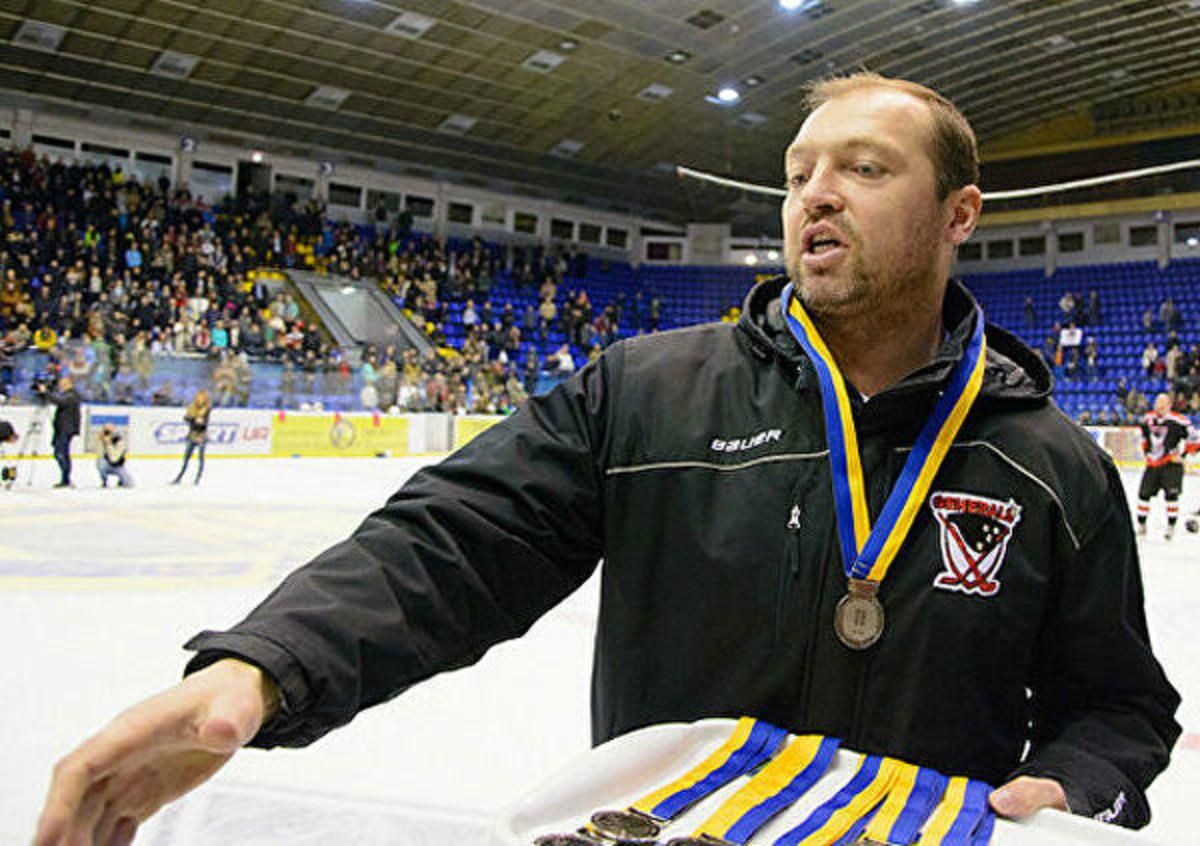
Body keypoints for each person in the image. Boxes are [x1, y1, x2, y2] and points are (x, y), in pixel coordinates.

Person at [35, 73, 1180, 845]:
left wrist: (1073, 787)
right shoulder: (647, 393)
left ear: (958, 212)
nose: (815, 195)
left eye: (866, 170)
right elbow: (453, 542)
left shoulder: (1050, 464)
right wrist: (261, 669)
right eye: (796, 173)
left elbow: (1121, 704)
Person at [1135, 393, 1195, 540]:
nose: (1159, 406)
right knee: (1143, 494)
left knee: (1171, 495)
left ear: (1169, 405)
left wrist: (1183, 454)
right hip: (1152, 463)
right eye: (1157, 402)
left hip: (1171, 463)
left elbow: (1194, 438)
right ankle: (1142, 525)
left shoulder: (1179, 421)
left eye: (1162, 403)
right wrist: (1146, 453)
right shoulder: (1147, 419)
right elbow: (1144, 437)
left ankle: (1170, 526)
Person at [44, 375, 81, 488]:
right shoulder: (68, 395)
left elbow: (59, 401)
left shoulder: (72, 395)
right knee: (59, 452)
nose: (60, 385)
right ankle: (65, 477)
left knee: (61, 453)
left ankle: (65, 478)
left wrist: (46, 392)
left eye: (63, 383)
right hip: (61, 428)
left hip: (66, 428)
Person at [170, 389, 211, 485]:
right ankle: (179, 477)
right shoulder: (192, 408)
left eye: (203, 398)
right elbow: (187, 418)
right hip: (192, 435)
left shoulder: (207, 409)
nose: (200, 400)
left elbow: (202, 423)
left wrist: (194, 420)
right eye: (199, 398)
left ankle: (197, 478)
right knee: (186, 458)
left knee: (201, 458)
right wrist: (194, 419)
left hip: (201, 436)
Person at [96, 423, 133, 488]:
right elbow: (99, 455)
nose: (107, 434)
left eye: (109, 432)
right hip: (106, 465)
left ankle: (120, 481)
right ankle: (104, 481)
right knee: (100, 463)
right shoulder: (102, 440)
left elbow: (114, 459)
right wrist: (100, 442)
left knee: (130, 484)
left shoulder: (120, 441)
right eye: (105, 431)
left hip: (118, 467)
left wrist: (109, 444)